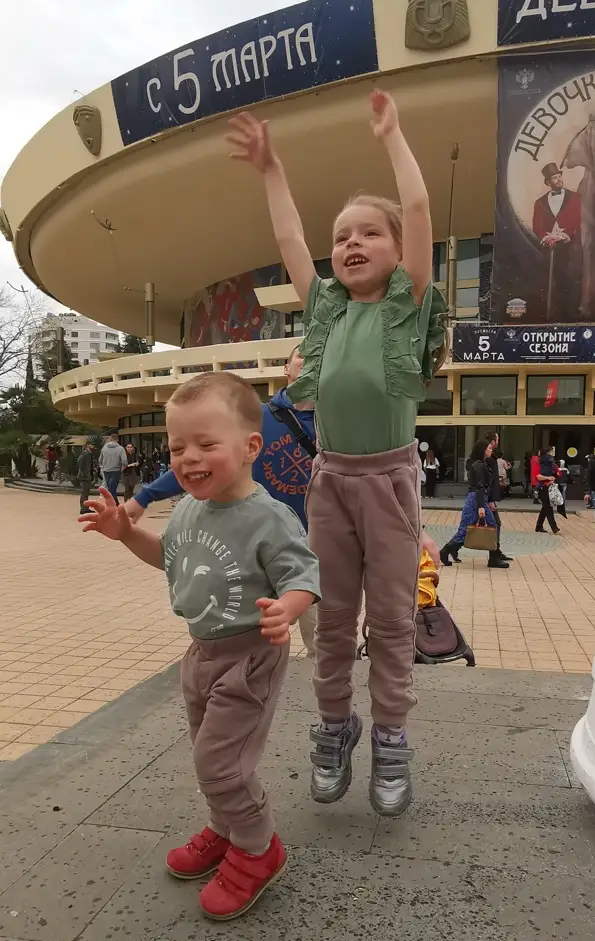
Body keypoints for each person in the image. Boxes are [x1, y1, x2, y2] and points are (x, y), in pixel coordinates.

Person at [226, 89, 446, 818]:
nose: (351, 244)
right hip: (330, 483)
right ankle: (332, 726)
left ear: (395, 253)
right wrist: (272, 169)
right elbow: (291, 242)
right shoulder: (326, 310)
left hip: (387, 482)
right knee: (328, 618)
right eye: (342, 236)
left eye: (367, 235)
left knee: (388, 620)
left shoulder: (404, 306)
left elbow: (417, 212)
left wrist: (393, 135)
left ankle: (390, 738)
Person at [79, 372, 320, 921]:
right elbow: (166, 558)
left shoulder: (269, 517)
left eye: (206, 444)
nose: (188, 459)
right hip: (200, 652)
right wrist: (126, 534)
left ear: (250, 446)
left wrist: (290, 608)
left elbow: (304, 574)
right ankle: (224, 828)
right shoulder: (188, 508)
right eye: (177, 447)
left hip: (249, 656)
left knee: (221, 764)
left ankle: (258, 850)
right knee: (209, 755)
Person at [125, 348, 319, 656]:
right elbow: (201, 468)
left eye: (322, 353)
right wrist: (141, 502)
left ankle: (328, 701)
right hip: (243, 544)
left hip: (315, 545)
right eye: (304, 354)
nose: (189, 455)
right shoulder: (258, 417)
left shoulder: (341, 423)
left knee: (324, 644)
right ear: (286, 367)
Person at [532, 163, 582, 321]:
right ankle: (548, 315)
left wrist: (564, 235)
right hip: (548, 249)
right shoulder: (539, 203)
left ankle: (570, 316)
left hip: (570, 247)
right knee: (547, 281)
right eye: (555, 177)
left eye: (559, 176)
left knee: (569, 281)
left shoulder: (575, 197)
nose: (559, 179)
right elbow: (537, 225)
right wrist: (546, 238)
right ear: (548, 182)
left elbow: (577, 219)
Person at [439, 439, 498, 567]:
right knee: (490, 524)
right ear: (482, 450)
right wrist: (481, 506)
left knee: (466, 528)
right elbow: (480, 486)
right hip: (476, 498)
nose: (491, 449)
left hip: (476, 498)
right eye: (488, 448)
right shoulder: (479, 465)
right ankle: (493, 559)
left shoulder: (480, 463)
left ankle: (448, 550)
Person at [483, 431, 511, 568]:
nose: (498, 441)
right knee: (493, 525)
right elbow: (486, 481)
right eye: (497, 439)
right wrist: (489, 499)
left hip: (488, 497)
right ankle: (493, 557)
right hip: (484, 498)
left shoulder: (491, 456)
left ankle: (496, 552)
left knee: (495, 524)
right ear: (492, 441)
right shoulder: (484, 458)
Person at [534, 446, 561, 535]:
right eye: (550, 453)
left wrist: (553, 479)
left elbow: (557, 473)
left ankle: (539, 526)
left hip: (549, 487)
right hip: (542, 487)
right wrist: (548, 478)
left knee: (545, 507)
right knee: (548, 507)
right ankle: (554, 527)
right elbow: (537, 476)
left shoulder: (550, 463)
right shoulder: (537, 462)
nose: (551, 455)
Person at [98, 433, 128, 505]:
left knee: (110, 488)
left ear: (110, 439)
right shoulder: (121, 448)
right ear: (117, 440)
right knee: (113, 489)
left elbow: (100, 460)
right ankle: (115, 504)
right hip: (116, 470)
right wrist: (122, 469)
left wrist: (103, 467)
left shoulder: (104, 447)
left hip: (106, 470)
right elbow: (124, 461)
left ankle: (113, 504)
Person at [77, 441, 96, 515]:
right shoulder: (86, 453)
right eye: (92, 445)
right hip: (85, 476)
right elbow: (79, 461)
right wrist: (83, 470)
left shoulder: (89, 453)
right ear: (88, 445)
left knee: (86, 492)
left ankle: (85, 507)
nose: (93, 446)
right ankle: (83, 508)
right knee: (84, 492)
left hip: (87, 475)